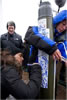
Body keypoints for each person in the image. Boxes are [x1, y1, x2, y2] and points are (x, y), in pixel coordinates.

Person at [53, 10, 67, 99]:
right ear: (58, 21)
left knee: (55, 82)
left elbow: (64, 49)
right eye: (63, 24)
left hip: (57, 64)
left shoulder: (63, 38)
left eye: (66, 26)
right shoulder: (46, 31)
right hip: (41, 66)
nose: (65, 28)